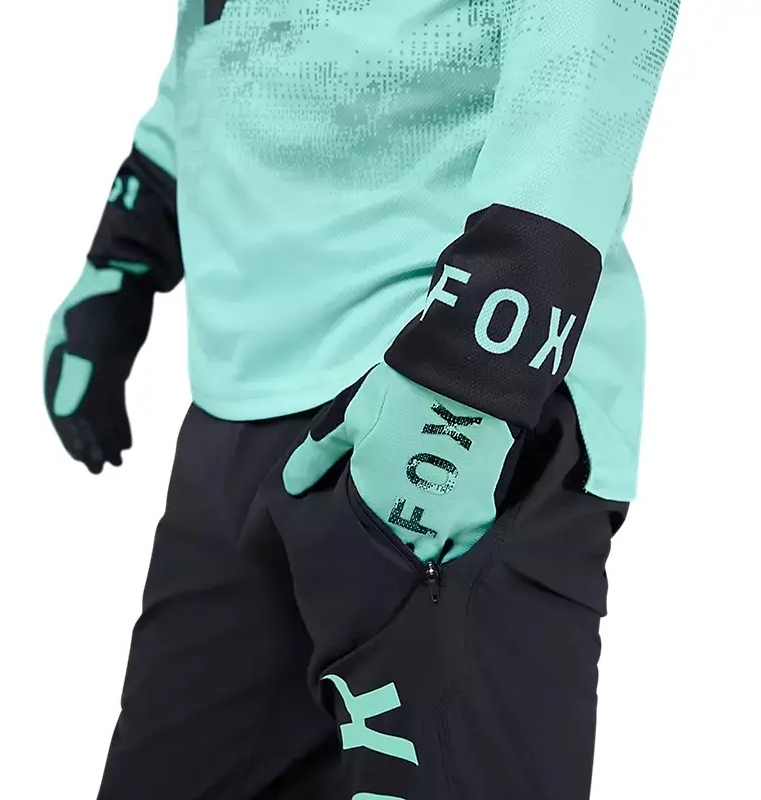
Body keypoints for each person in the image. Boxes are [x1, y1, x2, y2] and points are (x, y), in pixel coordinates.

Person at [44, 1, 680, 797]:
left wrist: (477, 366)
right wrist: (127, 245)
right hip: (239, 400)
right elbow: (227, 35)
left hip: (447, 395)